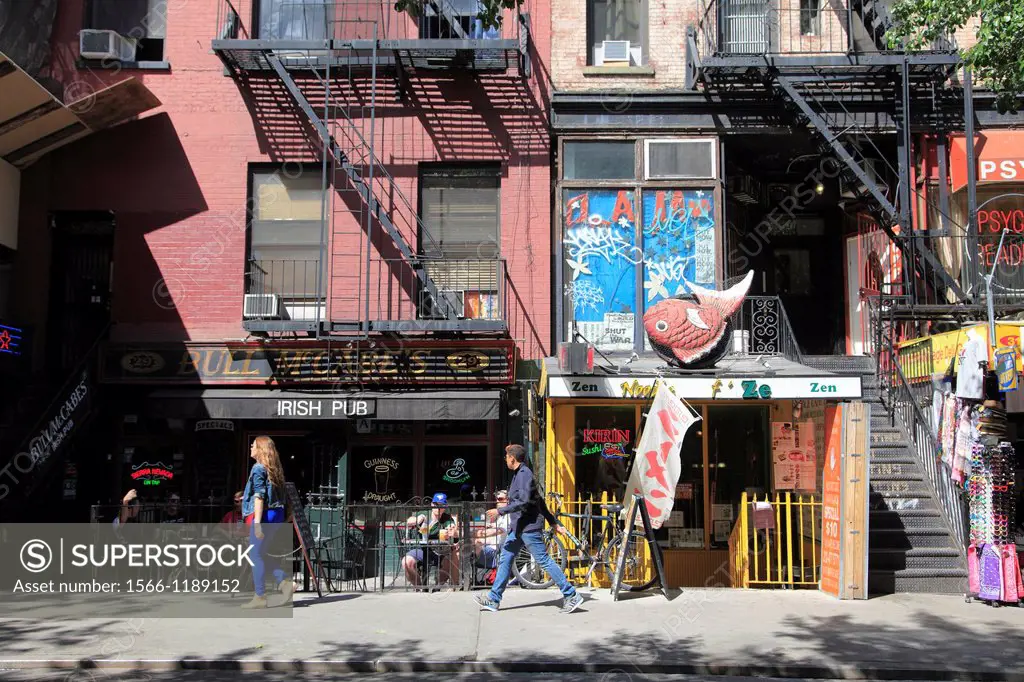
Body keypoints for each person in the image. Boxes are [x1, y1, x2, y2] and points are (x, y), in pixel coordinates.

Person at [475, 444, 583, 614]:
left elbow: (525, 502)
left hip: (529, 528)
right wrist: (553, 522)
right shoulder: (519, 475)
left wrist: (500, 511)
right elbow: (539, 501)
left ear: (513, 458)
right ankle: (494, 599)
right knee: (505, 557)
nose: (505, 459)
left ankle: (571, 595)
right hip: (518, 528)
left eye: (506, 456)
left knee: (543, 560)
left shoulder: (525, 475)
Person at [240, 436, 294, 609]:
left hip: (264, 516)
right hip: (276, 515)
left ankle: (260, 596)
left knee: (254, 555)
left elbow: (259, 496)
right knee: (261, 553)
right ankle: (284, 582)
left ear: (260, 449)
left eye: (253, 445)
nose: (250, 447)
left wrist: (256, 523)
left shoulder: (257, 468)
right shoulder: (274, 469)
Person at [403, 492, 460, 588]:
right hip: (422, 550)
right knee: (406, 561)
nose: (438, 507)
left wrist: (451, 530)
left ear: (445, 506)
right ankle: (420, 587)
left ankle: (438, 586)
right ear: (432, 504)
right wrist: (417, 519)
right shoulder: (425, 515)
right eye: (436, 504)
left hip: (440, 551)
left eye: (442, 505)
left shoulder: (447, 518)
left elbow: (451, 527)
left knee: (449, 560)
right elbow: (409, 521)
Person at [472, 489, 510, 570]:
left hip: (497, 551)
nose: (497, 501)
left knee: (470, 547)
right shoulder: (501, 516)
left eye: (500, 499)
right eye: (496, 499)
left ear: (508, 500)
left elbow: (498, 532)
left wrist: (477, 535)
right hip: (492, 546)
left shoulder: (508, 516)